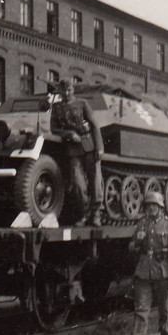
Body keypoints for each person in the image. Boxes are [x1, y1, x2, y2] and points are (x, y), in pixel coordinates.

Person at [120, 191, 168, 335]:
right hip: (144, 271)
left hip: (163, 272)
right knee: (140, 308)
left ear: (161, 207)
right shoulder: (142, 225)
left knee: (164, 309)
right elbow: (131, 248)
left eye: (154, 205)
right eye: (148, 206)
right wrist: (137, 242)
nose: (150, 208)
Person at [51, 79, 104, 226]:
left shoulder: (82, 103)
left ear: (73, 90)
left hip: (89, 145)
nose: (66, 93)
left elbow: (94, 125)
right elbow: (54, 129)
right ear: (60, 92)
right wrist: (68, 134)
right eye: (63, 91)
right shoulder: (56, 107)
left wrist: (99, 148)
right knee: (78, 184)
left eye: (69, 90)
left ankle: (96, 214)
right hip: (73, 149)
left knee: (95, 180)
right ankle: (85, 213)